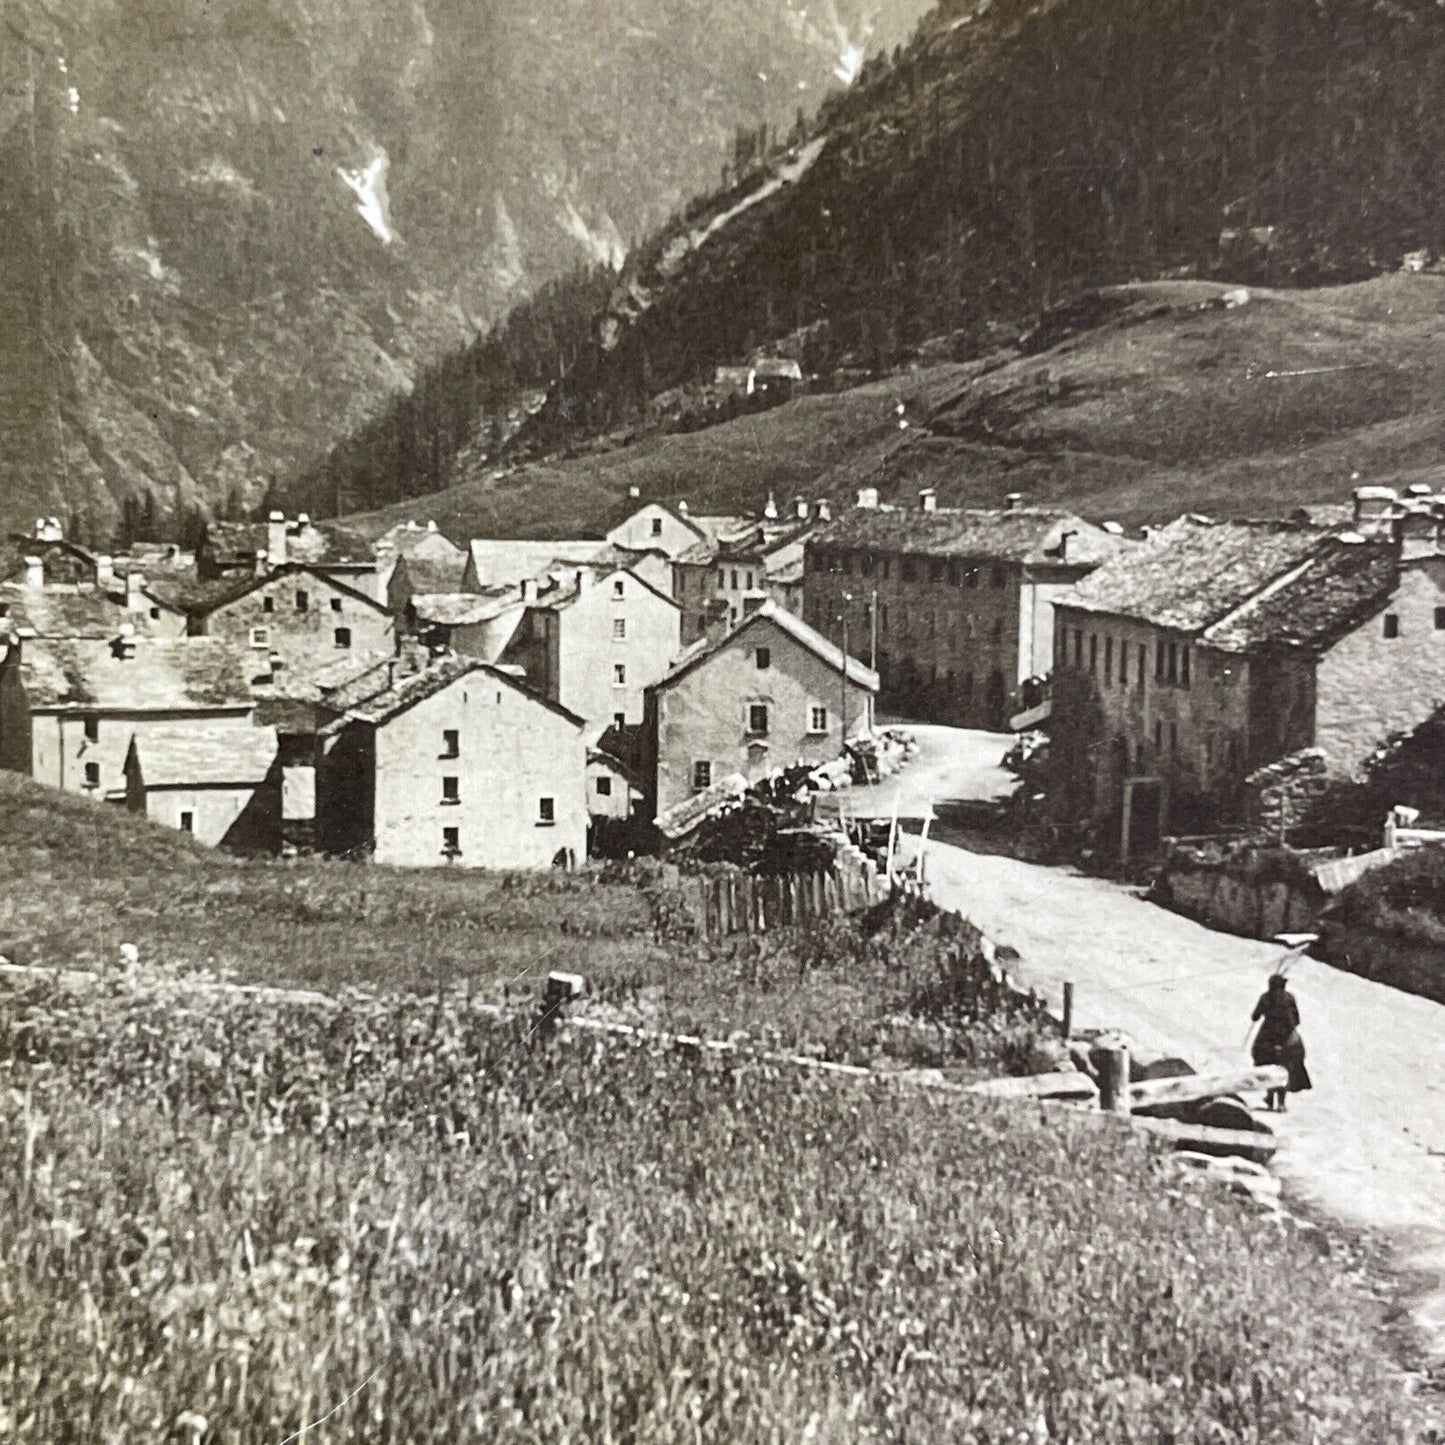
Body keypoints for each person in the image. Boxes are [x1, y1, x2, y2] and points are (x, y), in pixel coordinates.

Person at [1250, 973, 1312, 1111]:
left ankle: (1270, 1098)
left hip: (1267, 1038)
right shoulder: (1289, 998)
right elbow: (1297, 1020)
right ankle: (1281, 1103)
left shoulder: (1265, 998)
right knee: (1283, 1068)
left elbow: (1255, 1016)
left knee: (1267, 1065)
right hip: (1288, 1039)